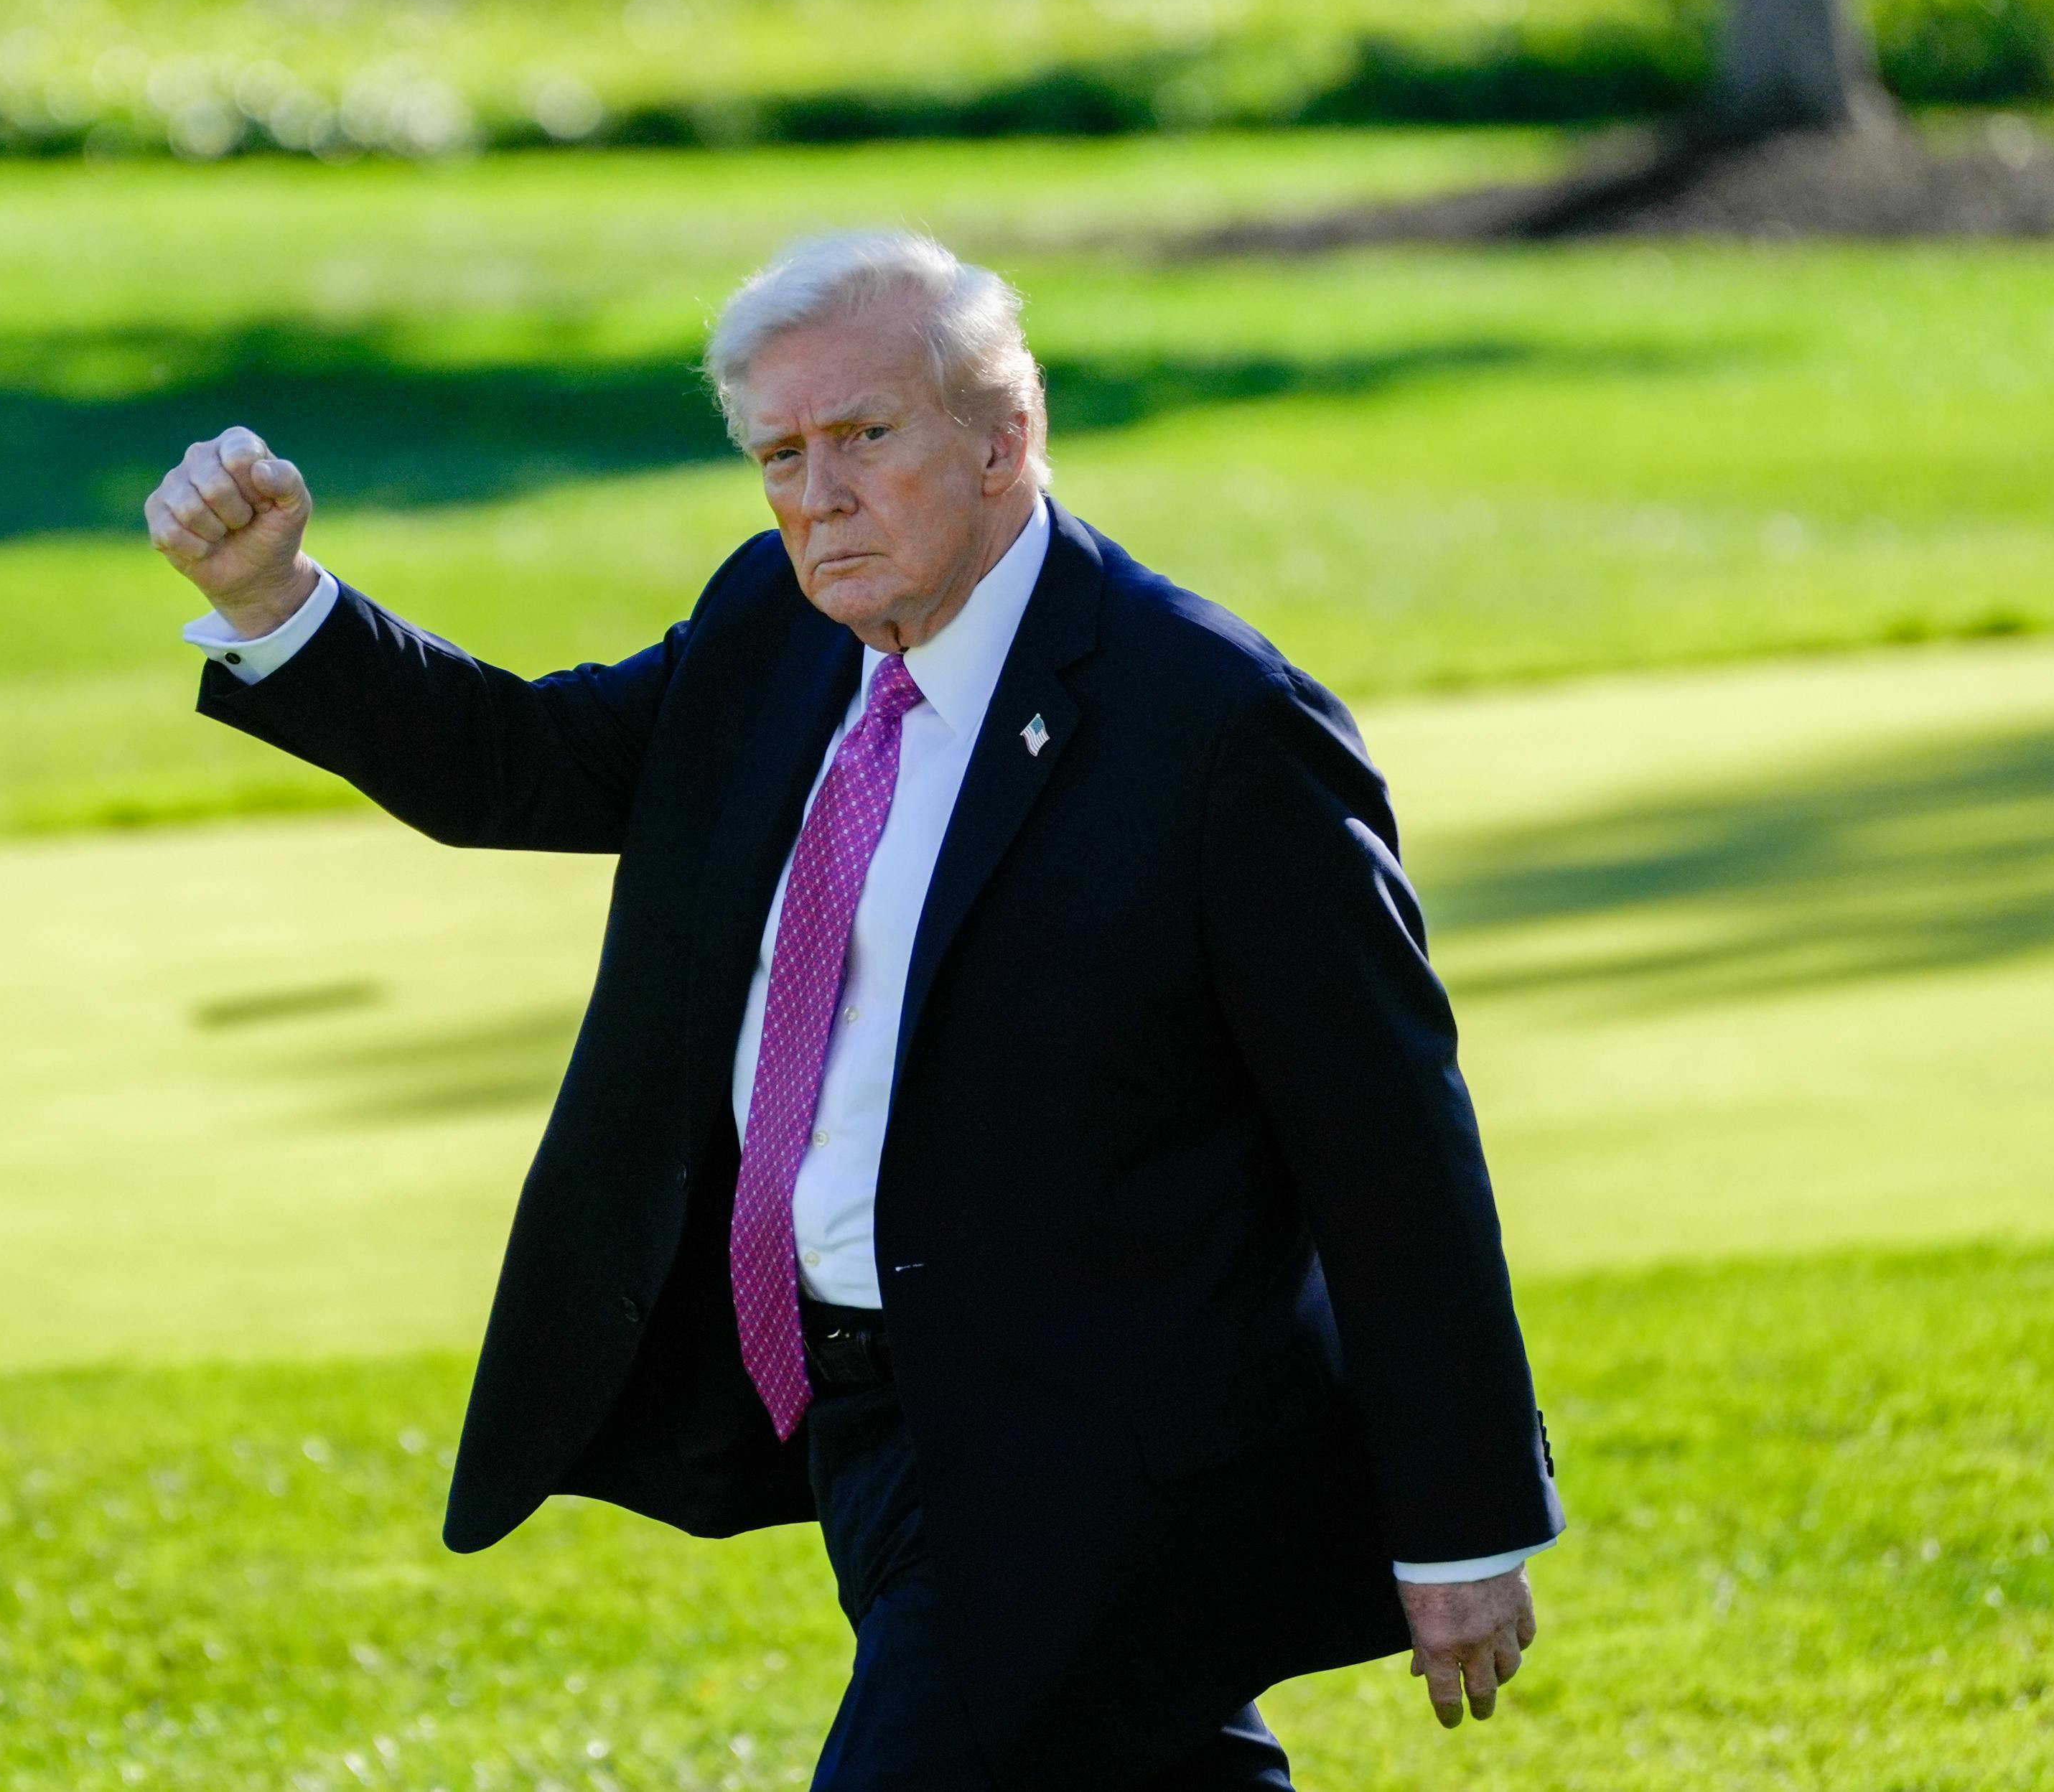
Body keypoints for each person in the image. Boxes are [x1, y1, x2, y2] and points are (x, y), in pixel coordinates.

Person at [144, 230, 1563, 1788]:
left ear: (1001, 435)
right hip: (866, 1415)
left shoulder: (1214, 726)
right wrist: (275, 599)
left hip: (1091, 1440)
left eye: (864, 437)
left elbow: (1386, 1140)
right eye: (778, 453)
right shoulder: (779, 622)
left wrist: (1460, 1512)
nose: (815, 494)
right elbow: (528, 766)